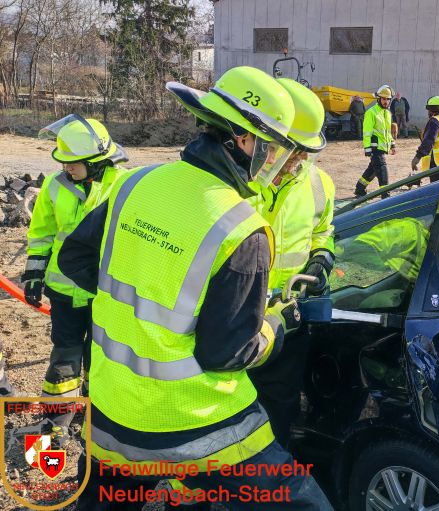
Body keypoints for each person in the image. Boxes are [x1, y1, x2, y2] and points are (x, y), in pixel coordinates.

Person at [58, 66, 332, 510]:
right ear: (245, 140)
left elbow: (74, 258)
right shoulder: (241, 229)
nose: (277, 163)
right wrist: (274, 326)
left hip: (112, 413)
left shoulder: (135, 183)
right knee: (303, 503)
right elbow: (226, 353)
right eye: (275, 149)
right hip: (198, 424)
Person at [22, 114, 128, 438]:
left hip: (104, 293)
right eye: (63, 161)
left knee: (100, 357)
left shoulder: (124, 186)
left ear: (95, 161)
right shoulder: (54, 186)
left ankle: (95, 416)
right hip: (63, 291)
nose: (65, 167)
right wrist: (33, 275)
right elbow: (41, 234)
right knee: (65, 355)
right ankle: (55, 424)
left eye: (72, 162)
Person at [248, 77, 335, 448]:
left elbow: (323, 230)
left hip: (286, 318)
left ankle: (271, 465)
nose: (296, 160)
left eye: (303, 152)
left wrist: (322, 257)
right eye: (290, 150)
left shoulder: (320, 184)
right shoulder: (239, 181)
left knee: (279, 405)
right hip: (237, 315)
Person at [354, 84, 395, 199]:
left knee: (372, 170)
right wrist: (367, 148)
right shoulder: (371, 112)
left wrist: (392, 144)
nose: (386, 101)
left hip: (383, 148)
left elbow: (387, 132)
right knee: (382, 171)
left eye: (388, 99)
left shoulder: (388, 113)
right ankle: (385, 196)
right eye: (383, 99)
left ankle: (360, 189)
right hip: (375, 149)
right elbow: (367, 132)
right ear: (379, 99)